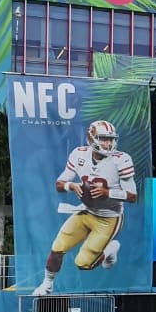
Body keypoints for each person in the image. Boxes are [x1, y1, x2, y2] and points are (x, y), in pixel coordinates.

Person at [31, 120, 137, 296]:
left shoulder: (121, 160)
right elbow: (59, 183)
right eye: (103, 139)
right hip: (85, 211)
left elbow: (132, 196)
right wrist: (71, 186)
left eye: (111, 139)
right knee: (57, 249)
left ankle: (110, 249)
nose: (108, 143)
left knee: (83, 264)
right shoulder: (79, 154)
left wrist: (107, 192)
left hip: (108, 218)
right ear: (91, 138)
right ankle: (47, 285)